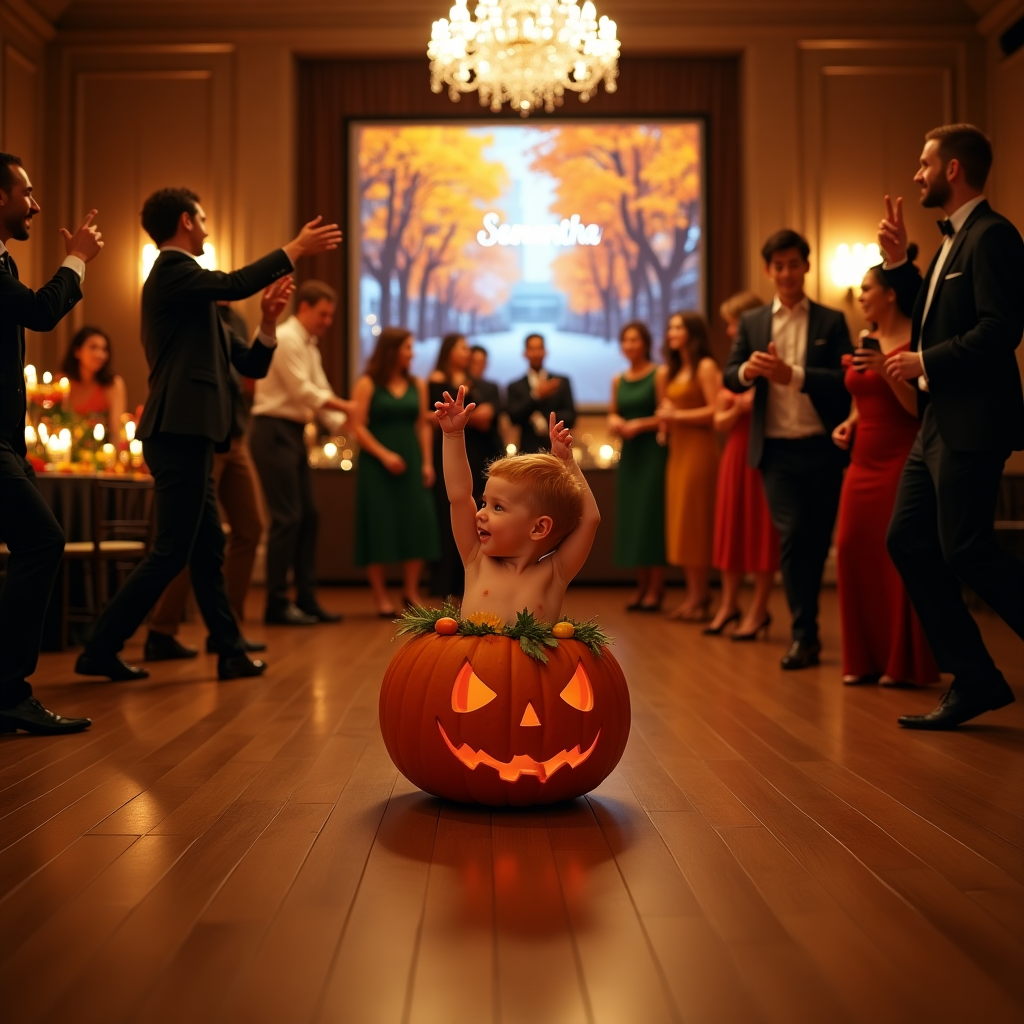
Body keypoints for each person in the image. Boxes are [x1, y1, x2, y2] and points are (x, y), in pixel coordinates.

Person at [74, 187, 340, 682]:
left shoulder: (202, 306)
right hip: (177, 431)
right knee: (173, 548)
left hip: (197, 433)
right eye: (202, 219)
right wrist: (296, 248)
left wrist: (266, 322)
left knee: (205, 549)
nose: (208, 229)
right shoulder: (172, 271)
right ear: (185, 222)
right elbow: (237, 281)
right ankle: (101, 646)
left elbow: (250, 363)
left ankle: (229, 648)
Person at [878, 124, 1024, 729]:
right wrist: (898, 267)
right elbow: (937, 317)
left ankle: (975, 679)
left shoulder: (992, 237)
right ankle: (975, 677)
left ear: (954, 168)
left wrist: (924, 362)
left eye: (925, 164)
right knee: (908, 540)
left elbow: (1001, 330)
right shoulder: (946, 245)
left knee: (965, 546)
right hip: (936, 422)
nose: (917, 175)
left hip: (973, 420)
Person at [0, 152, 101, 734]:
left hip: (6, 445)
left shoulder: (3, 261)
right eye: (27, 192)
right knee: (43, 541)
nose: (35, 203)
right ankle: (8, 692)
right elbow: (41, 313)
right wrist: (77, 259)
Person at [724, 230, 852, 669]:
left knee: (815, 542)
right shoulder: (754, 322)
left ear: (806, 266)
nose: (786, 273)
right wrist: (747, 370)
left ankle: (809, 631)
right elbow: (729, 373)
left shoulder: (832, 321)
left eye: (794, 264)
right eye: (778, 266)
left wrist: (791, 374)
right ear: (768, 270)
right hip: (775, 452)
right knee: (794, 533)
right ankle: (803, 633)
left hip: (822, 447)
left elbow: (843, 381)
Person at [831, 257, 938, 688]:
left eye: (867, 289)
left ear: (890, 293)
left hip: (901, 454)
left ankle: (902, 662)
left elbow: (917, 408)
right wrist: (850, 422)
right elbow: (861, 398)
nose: (860, 297)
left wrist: (882, 370)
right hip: (863, 457)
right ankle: (863, 657)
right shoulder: (866, 338)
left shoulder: (917, 337)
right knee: (850, 546)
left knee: (896, 553)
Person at [143, 302, 269, 659]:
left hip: (236, 435)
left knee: (252, 527)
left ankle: (227, 629)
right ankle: (161, 630)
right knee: (188, 534)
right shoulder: (186, 313)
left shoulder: (236, 320)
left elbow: (247, 376)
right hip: (203, 439)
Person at [434, 386, 600, 623]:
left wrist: (568, 464)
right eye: (484, 504)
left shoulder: (554, 573)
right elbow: (459, 496)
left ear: (539, 528)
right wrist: (452, 435)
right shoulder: (475, 558)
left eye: (497, 507)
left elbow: (590, 520)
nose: (481, 514)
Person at [250, 279, 353, 625]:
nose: (327, 321)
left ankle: (306, 598)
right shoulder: (286, 338)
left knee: (309, 515)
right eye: (323, 314)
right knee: (287, 518)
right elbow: (302, 391)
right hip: (271, 430)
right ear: (304, 307)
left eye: (331, 315)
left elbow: (320, 393)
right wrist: (348, 409)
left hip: (292, 433)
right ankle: (276, 603)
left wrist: (345, 424)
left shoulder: (309, 345)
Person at [352, 327, 438, 616]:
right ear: (392, 350)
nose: (412, 354)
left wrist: (427, 463)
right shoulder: (367, 384)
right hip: (377, 465)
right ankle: (380, 597)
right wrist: (384, 455)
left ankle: (410, 591)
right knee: (379, 524)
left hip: (411, 460)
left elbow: (422, 425)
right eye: (408, 348)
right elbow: (357, 425)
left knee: (418, 521)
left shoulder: (418, 384)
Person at [707, 292, 779, 640]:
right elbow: (720, 421)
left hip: (765, 450)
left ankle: (759, 609)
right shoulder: (735, 366)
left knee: (762, 531)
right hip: (736, 453)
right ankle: (729, 604)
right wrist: (737, 408)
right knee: (731, 530)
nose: (729, 330)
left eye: (733, 323)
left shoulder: (771, 360)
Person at [658, 312, 721, 621]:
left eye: (678, 327)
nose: (672, 332)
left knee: (694, 522)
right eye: (670, 327)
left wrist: (677, 416)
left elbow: (716, 411)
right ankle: (694, 595)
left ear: (693, 332)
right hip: (678, 452)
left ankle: (701, 596)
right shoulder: (676, 369)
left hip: (699, 452)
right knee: (681, 523)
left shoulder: (705, 366)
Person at [608, 321, 668, 611]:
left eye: (635, 340)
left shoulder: (659, 373)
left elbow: (665, 415)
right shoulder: (618, 379)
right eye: (626, 340)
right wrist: (616, 422)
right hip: (630, 455)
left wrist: (639, 425)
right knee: (633, 519)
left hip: (653, 453)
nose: (630, 345)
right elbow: (612, 414)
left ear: (645, 343)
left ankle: (656, 588)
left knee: (651, 518)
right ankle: (641, 586)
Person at [428, 333, 474, 597]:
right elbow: (428, 416)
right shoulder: (437, 380)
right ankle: (442, 583)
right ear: (448, 351)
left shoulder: (470, 382)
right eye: (463, 348)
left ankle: (464, 582)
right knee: (447, 514)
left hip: (470, 449)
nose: (467, 353)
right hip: (444, 448)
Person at [506, 333, 576, 455]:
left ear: (545, 351)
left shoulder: (561, 382)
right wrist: (536, 395)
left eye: (539, 349)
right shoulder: (514, 386)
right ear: (525, 353)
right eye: (532, 349)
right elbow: (514, 418)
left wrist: (545, 420)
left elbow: (571, 417)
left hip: (557, 450)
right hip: (527, 452)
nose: (536, 354)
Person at [60, 326, 127, 438]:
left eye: (104, 349)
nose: (100, 355)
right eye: (93, 347)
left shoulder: (113, 384)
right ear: (77, 351)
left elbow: (116, 433)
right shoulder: (63, 383)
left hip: (101, 451)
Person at [465, 344, 504, 504]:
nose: (479, 365)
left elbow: (500, 409)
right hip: (468, 446)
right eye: (475, 361)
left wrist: (491, 410)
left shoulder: (492, 386)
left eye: (482, 361)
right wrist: (474, 418)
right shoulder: (462, 386)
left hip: (490, 445)